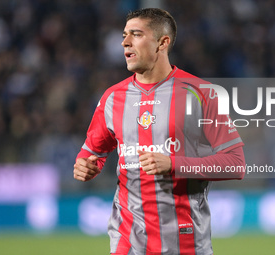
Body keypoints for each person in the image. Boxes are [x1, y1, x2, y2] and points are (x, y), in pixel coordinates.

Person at [73, 8, 245, 255]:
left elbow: (235, 164)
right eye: (124, 35)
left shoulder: (201, 94)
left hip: (186, 241)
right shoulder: (112, 98)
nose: (125, 42)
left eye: (136, 34)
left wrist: (174, 164)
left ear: (162, 43)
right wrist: (85, 166)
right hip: (127, 239)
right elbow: (92, 153)